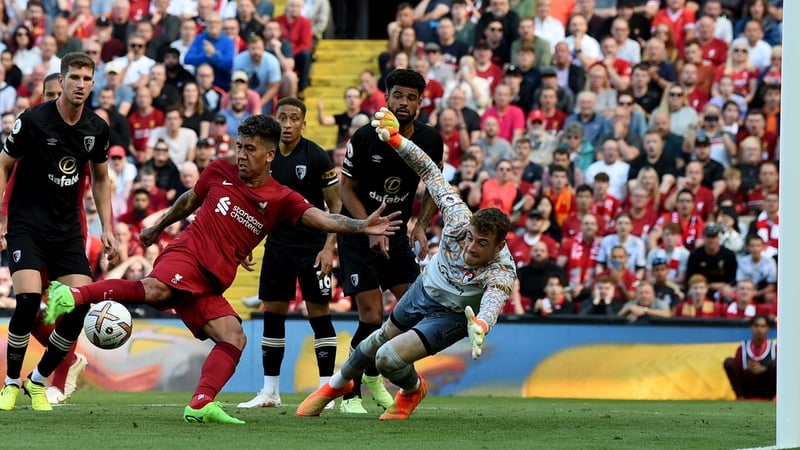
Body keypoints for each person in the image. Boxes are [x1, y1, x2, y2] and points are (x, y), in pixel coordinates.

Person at [45, 114, 403, 424]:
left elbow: (322, 216)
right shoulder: (219, 171)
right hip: (186, 255)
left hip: (211, 281)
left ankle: (201, 403)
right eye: (239, 146)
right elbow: (190, 199)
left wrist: (360, 226)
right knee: (157, 291)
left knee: (234, 336)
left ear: (269, 155)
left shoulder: (281, 198)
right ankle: (73, 295)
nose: (241, 155)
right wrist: (158, 226)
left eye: (250, 149)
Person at [296, 107, 515, 420]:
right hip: (425, 288)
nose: (471, 247)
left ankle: (412, 390)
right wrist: (398, 140)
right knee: (378, 338)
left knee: (387, 359)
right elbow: (429, 171)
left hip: (451, 315)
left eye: (482, 244)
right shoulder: (458, 217)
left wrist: (481, 324)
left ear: (499, 247)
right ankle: (336, 385)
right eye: (471, 238)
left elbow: (494, 300)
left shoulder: (503, 268)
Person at [0, 53, 118, 412]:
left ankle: (39, 380)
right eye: (75, 77)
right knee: (28, 301)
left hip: (66, 231)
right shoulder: (33, 122)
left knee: (81, 305)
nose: (81, 84)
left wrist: (108, 227)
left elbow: (100, 179)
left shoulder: (97, 129)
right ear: (62, 82)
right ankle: (10, 383)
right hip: (27, 226)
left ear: (93, 83)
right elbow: (3, 165)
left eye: (87, 78)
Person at [336, 69, 443, 414]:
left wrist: (421, 226)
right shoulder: (365, 137)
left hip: (395, 233)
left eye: (412, 97)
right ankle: (350, 395)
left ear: (420, 103)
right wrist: (368, 226)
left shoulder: (429, 140)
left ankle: (372, 374)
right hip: (359, 232)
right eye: (398, 95)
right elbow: (345, 189)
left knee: (413, 310)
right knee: (370, 315)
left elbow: (434, 184)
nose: (404, 103)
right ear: (386, 98)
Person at [237, 97, 342, 410]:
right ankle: (270, 392)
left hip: (312, 247)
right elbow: (255, 205)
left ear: (303, 123)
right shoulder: (266, 158)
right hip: (278, 246)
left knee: (319, 315)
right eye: (282, 117)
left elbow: (336, 206)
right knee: (273, 316)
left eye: (294, 118)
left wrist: (328, 248)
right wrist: (244, 243)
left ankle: (327, 390)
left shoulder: (318, 157)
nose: (287, 124)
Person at [723, 315, 776, 400]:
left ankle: (769, 398)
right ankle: (740, 397)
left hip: (766, 387)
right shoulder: (742, 348)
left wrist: (764, 369)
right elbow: (736, 368)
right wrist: (748, 369)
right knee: (729, 362)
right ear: (751, 328)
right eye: (756, 326)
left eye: (762, 326)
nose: (759, 329)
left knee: (777, 364)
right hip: (747, 385)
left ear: (768, 328)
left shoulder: (774, 348)